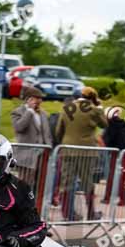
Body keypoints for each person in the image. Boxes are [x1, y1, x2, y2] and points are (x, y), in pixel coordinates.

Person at [54, 86, 107, 221]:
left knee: (67, 183)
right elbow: (104, 124)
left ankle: (68, 215)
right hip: (86, 152)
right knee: (87, 183)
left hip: (67, 150)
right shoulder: (94, 110)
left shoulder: (67, 109)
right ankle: (91, 214)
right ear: (93, 98)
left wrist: (63, 143)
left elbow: (58, 131)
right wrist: (100, 109)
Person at [11, 86, 53, 184]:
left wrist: (49, 147)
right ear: (28, 99)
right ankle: (22, 199)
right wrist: (29, 111)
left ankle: (35, 200)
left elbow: (47, 134)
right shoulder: (18, 112)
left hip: (43, 155)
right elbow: (19, 127)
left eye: (41, 98)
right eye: (37, 98)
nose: (40, 101)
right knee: (25, 183)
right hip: (27, 155)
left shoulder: (43, 114)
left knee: (41, 184)